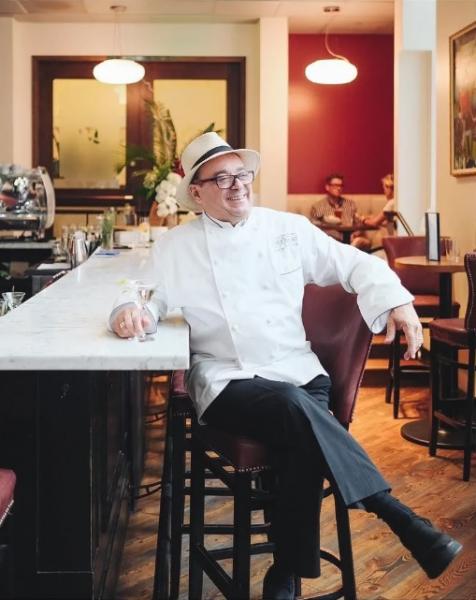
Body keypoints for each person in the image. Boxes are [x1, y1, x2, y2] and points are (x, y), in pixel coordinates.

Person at [110, 133, 462, 599]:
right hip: (226, 379)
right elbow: (142, 298)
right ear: (196, 192)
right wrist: (130, 313)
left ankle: (286, 575)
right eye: (222, 178)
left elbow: (357, 265)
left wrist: (398, 302)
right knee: (298, 412)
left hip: (297, 371)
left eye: (242, 174)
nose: (238, 185)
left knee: (299, 422)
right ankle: (396, 514)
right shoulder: (176, 247)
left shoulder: (286, 229)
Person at [310, 174, 371, 250]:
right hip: (330, 242)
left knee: (362, 242)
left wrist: (356, 233)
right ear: (327, 187)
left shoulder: (350, 204)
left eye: (341, 186)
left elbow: (359, 223)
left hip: (351, 240)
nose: (339, 188)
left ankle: (348, 252)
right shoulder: (318, 206)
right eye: (335, 185)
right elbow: (315, 228)